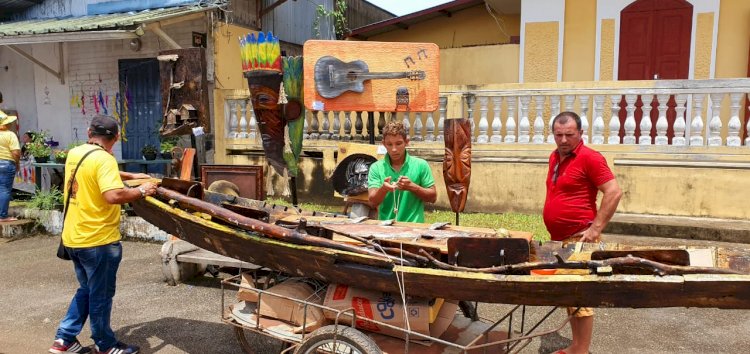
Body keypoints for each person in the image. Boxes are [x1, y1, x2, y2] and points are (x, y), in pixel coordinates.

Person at [49, 115, 157, 354]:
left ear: (89, 133)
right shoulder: (105, 160)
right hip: (98, 241)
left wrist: (130, 176)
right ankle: (105, 345)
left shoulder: (76, 153)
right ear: (116, 138)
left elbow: (94, 174)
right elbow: (113, 196)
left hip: (74, 237)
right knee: (101, 295)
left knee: (86, 289)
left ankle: (64, 339)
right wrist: (142, 190)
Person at [543, 111, 622, 354]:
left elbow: (614, 191)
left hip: (580, 238)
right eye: (559, 134)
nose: (564, 140)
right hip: (561, 240)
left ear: (580, 133)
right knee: (570, 296)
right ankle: (576, 346)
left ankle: (581, 350)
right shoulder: (555, 157)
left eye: (569, 134)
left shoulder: (590, 158)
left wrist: (596, 228)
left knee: (581, 296)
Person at [368, 121, 436, 222]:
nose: (394, 149)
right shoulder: (376, 168)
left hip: (415, 228)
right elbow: (372, 202)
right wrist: (383, 189)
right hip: (386, 228)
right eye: (389, 144)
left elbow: (433, 197)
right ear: (383, 144)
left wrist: (412, 187)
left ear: (406, 142)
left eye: (398, 143)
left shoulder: (421, 165)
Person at [0, 109, 20, 222]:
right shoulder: (10, 135)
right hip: (6, 163)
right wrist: (17, 163)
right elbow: (16, 152)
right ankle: (2, 216)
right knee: (4, 190)